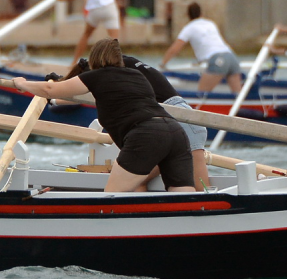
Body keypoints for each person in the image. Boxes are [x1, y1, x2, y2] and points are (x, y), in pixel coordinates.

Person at [13, 39, 196, 193]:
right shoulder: (137, 76)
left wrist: (22, 83)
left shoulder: (96, 76)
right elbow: (74, 94)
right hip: (176, 132)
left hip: (147, 135)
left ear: (94, 59)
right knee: (185, 199)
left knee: (110, 199)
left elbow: (49, 89)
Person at [60, 55, 211, 191]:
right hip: (185, 119)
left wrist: (56, 90)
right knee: (201, 190)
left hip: (177, 120)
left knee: (200, 190)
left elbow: (75, 95)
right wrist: (61, 83)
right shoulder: (126, 65)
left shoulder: (110, 76)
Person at [159, 2, 243, 95]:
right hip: (232, 57)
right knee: (237, 96)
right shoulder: (211, 23)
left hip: (218, 60)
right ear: (201, 13)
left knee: (201, 95)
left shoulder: (189, 27)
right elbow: (210, 43)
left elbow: (175, 49)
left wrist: (163, 64)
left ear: (187, 15)